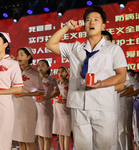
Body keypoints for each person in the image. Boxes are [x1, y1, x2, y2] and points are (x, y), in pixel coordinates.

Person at [45, 5, 127, 150]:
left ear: (103, 25)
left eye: (96, 20)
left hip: (103, 105)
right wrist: (66, 28)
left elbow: (121, 76)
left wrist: (101, 84)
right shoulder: (75, 48)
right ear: (84, 25)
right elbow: (50, 44)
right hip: (79, 105)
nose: (91, 22)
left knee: (105, 147)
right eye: (88, 20)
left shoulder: (113, 49)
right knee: (82, 147)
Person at [12, 47, 44, 150]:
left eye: (22, 54)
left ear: (29, 57)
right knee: (20, 138)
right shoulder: (15, 71)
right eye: (18, 55)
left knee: (28, 138)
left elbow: (41, 91)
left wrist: (25, 94)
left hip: (27, 107)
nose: (19, 57)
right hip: (16, 106)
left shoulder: (34, 73)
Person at [36, 59, 60, 150]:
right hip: (36, 108)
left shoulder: (51, 79)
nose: (40, 67)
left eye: (42, 65)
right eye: (38, 65)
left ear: (48, 68)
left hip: (46, 107)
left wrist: (46, 97)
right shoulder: (35, 79)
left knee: (46, 134)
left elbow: (57, 92)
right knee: (40, 135)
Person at [53, 66, 71, 150]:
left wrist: (65, 101)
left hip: (66, 108)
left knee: (66, 131)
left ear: (67, 73)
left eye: (62, 71)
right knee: (60, 130)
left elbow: (72, 97)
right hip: (57, 108)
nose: (60, 73)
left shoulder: (70, 83)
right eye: (59, 71)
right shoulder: (56, 83)